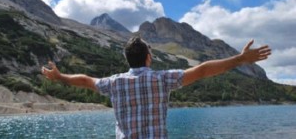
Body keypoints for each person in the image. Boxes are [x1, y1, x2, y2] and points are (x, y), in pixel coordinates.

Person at [41, 36, 271, 139]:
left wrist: (60, 77)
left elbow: (85, 80)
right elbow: (202, 70)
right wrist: (239, 59)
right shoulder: (162, 79)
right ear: (149, 58)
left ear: (127, 59)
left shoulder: (114, 83)